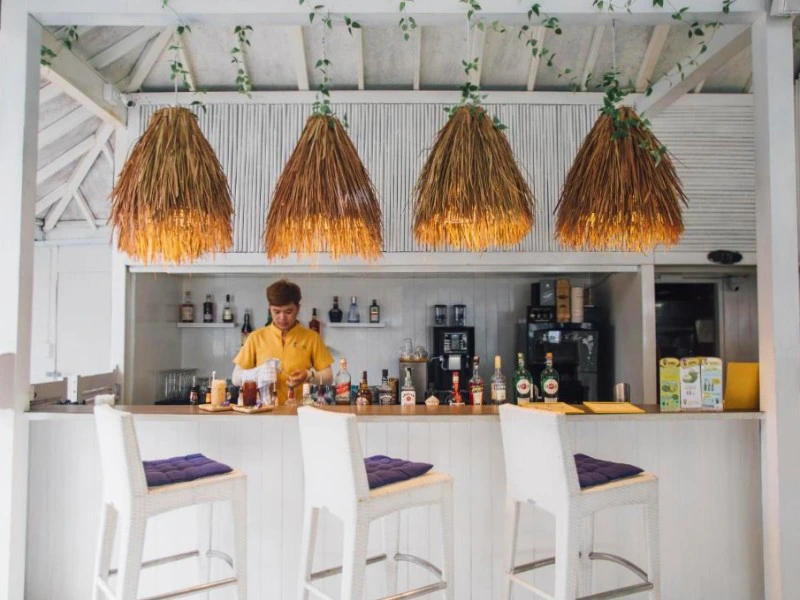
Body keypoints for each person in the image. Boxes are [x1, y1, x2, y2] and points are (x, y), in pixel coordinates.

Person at [232, 279, 333, 405]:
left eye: (288, 312)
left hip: (300, 412)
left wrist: (308, 375)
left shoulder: (312, 338)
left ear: (298, 309)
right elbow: (236, 378)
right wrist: (260, 372)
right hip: (263, 412)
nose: (282, 318)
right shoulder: (255, 337)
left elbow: (328, 377)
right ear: (269, 309)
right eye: (276, 312)